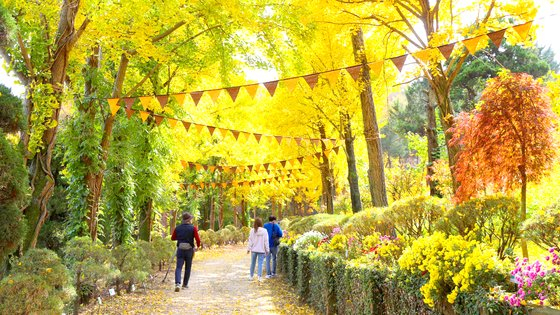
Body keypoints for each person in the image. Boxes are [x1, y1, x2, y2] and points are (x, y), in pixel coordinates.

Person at [171, 212, 202, 292]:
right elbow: (197, 239)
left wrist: (180, 237)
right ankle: (185, 284)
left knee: (178, 267)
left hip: (180, 249)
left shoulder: (178, 228)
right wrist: (198, 246)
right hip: (189, 250)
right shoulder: (193, 228)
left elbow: (173, 238)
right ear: (189, 220)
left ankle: (177, 283)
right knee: (188, 267)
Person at [247, 217, 269, 282]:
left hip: (253, 250)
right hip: (261, 250)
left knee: (252, 263)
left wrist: (248, 249)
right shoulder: (264, 231)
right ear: (261, 223)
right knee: (260, 264)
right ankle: (259, 277)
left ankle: (251, 276)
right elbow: (266, 241)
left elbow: (250, 240)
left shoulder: (252, 230)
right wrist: (267, 250)